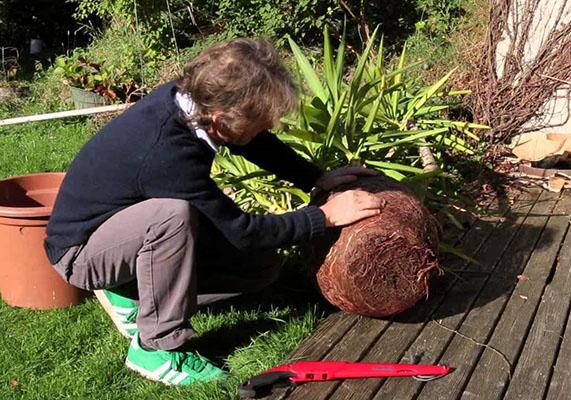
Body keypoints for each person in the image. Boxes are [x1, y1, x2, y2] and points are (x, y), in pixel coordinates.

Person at [45, 38, 384, 386]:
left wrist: (315, 178)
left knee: (261, 269)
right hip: (81, 251)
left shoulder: (192, 103)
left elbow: (255, 142)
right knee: (171, 217)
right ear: (222, 121)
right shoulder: (168, 154)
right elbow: (243, 231)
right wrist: (324, 216)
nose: (267, 128)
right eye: (261, 122)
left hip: (125, 227)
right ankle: (155, 347)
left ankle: (131, 290)